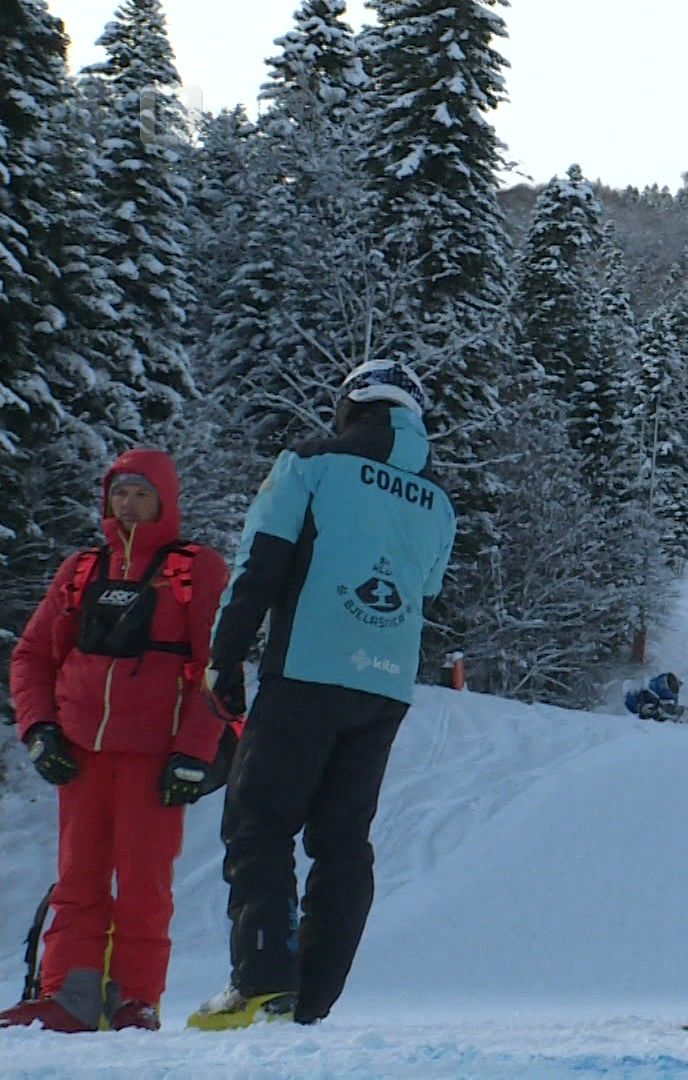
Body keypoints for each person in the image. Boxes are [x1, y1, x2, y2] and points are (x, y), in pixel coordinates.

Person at [187, 359, 455, 1030]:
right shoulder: (437, 500)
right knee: (342, 841)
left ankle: (262, 984)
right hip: (385, 687)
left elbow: (260, 566)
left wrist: (225, 659)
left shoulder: (308, 463)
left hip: (306, 668)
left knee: (259, 821)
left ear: (350, 407)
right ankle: (310, 1001)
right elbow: (423, 588)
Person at [1, 451, 231, 1033]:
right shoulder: (81, 568)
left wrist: (194, 752)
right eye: (118, 494)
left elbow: (218, 665)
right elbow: (31, 656)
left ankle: (134, 1001)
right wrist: (39, 728)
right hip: (80, 753)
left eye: (140, 494)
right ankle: (67, 997)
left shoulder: (195, 568)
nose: (127, 505)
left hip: (156, 757)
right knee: (78, 876)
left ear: (165, 500)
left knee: (144, 882)